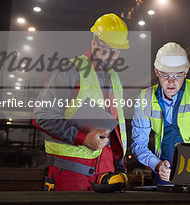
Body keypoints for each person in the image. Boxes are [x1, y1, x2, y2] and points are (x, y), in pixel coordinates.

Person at [33, 13, 129, 191]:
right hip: (71, 169)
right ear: (94, 42)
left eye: (116, 51)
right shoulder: (68, 70)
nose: (112, 56)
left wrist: (119, 162)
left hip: (106, 168)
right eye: (107, 49)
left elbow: (116, 126)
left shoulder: (116, 77)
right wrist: (82, 138)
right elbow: (42, 116)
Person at [131, 42, 190, 189]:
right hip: (165, 175)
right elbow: (139, 144)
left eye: (177, 75)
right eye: (165, 75)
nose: (171, 82)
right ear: (156, 71)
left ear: (186, 71)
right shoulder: (144, 99)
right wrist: (157, 165)